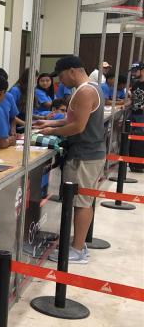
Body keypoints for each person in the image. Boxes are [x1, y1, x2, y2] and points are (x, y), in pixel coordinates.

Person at [34, 55, 106, 264]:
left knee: (81, 203)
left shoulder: (85, 92)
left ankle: (77, 249)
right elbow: (70, 119)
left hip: (85, 155)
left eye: (61, 76)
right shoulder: (87, 89)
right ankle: (78, 244)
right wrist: (50, 124)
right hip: (87, 153)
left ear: (72, 71)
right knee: (83, 202)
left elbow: (77, 126)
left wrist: (53, 132)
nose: (60, 81)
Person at [129, 62, 144, 172]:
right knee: (133, 140)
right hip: (134, 114)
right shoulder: (135, 84)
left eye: (135, 71)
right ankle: (133, 164)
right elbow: (132, 99)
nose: (133, 73)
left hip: (142, 116)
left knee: (140, 140)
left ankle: (139, 164)